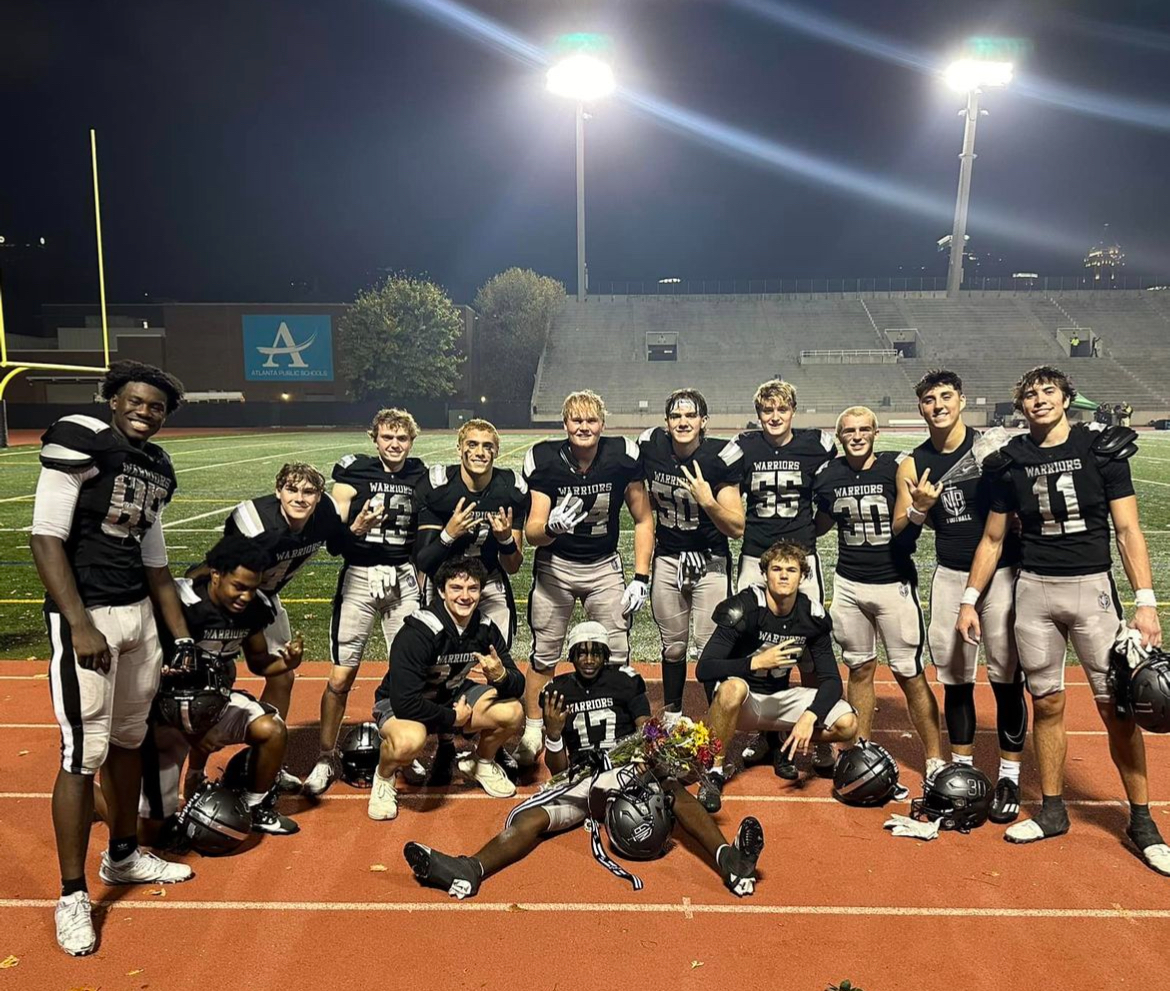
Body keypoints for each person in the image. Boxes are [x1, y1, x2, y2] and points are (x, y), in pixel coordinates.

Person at [958, 365, 1169, 874]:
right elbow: (992, 538)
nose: (1038, 400)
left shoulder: (1100, 450)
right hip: (1034, 589)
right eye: (1028, 394)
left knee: (1116, 709)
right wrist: (970, 598)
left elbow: (1127, 530)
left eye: (1047, 391)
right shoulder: (1012, 461)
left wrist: (1146, 601)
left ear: (1067, 397)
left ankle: (1143, 821)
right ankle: (1052, 810)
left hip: (1090, 587)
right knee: (1046, 702)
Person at [402, 621, 765, 899]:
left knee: (671, 789)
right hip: (584, 779)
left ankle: (728, 859)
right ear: (571, 656)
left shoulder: (626, 680)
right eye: (581, 651)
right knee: (532, 818)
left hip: (627, 769)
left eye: (595, 651)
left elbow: (645, 729)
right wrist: (555, 733)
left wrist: (649, 752)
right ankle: (471, 869)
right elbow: (560, 771)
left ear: (606, 655)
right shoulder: (558, 690)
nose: (589, 658)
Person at [30, 360, 195, 956]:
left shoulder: (155, 464)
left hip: (138, 615)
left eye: (156, 406)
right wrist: (78, 622)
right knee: (82, 753)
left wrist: (179, 634)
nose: (145, 411)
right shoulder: (81, 438)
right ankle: (73, 894)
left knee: (128, 740)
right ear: (112, 398)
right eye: (137, 400)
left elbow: (155, 558)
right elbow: (45, 535)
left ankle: (122, 856)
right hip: (90, 614)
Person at [187, 461, 378, 791]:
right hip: (227, 601)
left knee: (282, 674)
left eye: (309, 491)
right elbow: (216, 567)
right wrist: (194, 606)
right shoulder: (256, 522)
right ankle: (194, 772)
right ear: (278, 491)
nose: (300, 498)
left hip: (265, 599)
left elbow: (337, 546)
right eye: (292, 489)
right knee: (207, 682)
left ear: (319, 496)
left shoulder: (326, 514)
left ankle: (265, 760)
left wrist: (355, 529)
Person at [893, 369, 1027, 822]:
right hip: (951, 574)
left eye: (946, 396)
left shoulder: (989, 447)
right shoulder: (914, 463)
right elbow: (901, 535)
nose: (938, 405)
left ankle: (1009, 772)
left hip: (1001, 573)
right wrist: (919, 509)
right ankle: (964, 768)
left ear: (961, 400)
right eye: (929, 399)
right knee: (955, 677)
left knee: (1007, 675)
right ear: (920, 408)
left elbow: (1020, 506)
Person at [516, 390, 654, 765]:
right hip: (556, 565)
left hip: (603, 563)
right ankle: (533, 729)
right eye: (576, 420)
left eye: (591, 420)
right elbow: (532, 532)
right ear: (564, 425)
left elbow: (644, 518)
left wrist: (642, 576)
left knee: (617, 652)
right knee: (545, 652)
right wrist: (552, 527)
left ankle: (619, 726)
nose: (583, 426)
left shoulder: (622, 456)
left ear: (602, 425)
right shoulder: (546, 459)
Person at [811, 406, 944, 784]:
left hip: (892, 581)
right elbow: (820, 524)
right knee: (859, 667)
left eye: (863, 429)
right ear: (839, 437)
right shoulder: (829, 474)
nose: (856, 435)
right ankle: (858, 750)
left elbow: (915, 520)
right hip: (850, 583)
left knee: (908, 672)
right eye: (849, 430)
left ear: (875, 432)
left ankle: (934, 757)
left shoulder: (895, 466)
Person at [140, 536, 303, 843]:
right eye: (238, 586)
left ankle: (254, 807)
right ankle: (97, 799)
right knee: (150, 835)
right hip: (165, 715)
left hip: (213, 703)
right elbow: (153, 684)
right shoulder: (181, 605)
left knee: (273, 729)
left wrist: (286, 663)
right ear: (216, 574)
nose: (245, 596)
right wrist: (196, 734)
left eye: (252, 588)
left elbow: (258, 663)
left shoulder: (254, 608)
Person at [304, 408, 427, 796]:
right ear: (374, 438)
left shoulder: (418, 473)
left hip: (402, 576)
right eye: (388, 437)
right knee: (342, 674)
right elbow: (334, 535)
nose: (394, 444)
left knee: (409, 672)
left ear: (411, 441)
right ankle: (325, 755)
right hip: (359, 575)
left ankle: (406, 748)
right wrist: (353, 527)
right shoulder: (354, 470)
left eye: (402, 438)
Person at [696, 542, 858, 811]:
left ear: (803, 576)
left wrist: (811, 716)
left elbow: (831, 679)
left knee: (847, 724)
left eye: (791, 569)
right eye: (777, 568)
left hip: (780, 700)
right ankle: (713, 771)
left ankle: (781, 739)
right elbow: (705, 668)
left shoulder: (811, 615)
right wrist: (755, 662)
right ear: (765, 574)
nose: (784, 575)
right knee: (732, 689)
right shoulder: (745, 608)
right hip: (743, 703)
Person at [729, 378, 837, 773]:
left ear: (793, 411)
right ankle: (766, 733)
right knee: (753, 643)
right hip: (756, 555)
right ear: (759, 415)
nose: (775, 417)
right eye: (767, 410)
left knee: (811, 643)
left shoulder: (816, 446)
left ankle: (819, 730)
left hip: (800, 559)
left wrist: (806, 537)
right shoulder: (744, 447)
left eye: (782, 409)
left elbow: (826, 505)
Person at [413, 418, 528, 783]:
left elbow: (514, 565)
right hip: (449, 585)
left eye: (487, 446)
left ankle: (488, 748)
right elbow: (425, 561)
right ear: (459, 449)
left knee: (498, 666)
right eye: (473, 445)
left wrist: (506, 538)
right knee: (442, 665)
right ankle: (447, 741)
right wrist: (449, 534)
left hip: (490, 581)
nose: (480, 452)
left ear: (497, 450)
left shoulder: (509, 488)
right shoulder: (439, 487)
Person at [367, 557, 525, 820]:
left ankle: (481, 763)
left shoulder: (483, 628)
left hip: (451, 695)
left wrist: (501, 677)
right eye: (456, 588)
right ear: (441, 591)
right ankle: (383, 777)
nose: (465, 596)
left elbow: (517, 684)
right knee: (409, 741)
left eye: (472, 588)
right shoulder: (418, 632)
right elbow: (405, 701)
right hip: (402, 704)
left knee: (512, 712)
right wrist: (453, 719)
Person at [638, 389, 744, 714]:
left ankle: (716, 725)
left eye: (690, 415)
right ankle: (672, 717)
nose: (683, 421)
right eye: (676, 416)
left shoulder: (720, 456)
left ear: (704, 421)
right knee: (672, 647)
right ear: (667, 423)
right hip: (669, 557)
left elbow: (737, 527)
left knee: (710, 649)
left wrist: (707, 500)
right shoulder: (651, 446)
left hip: (710, 559)